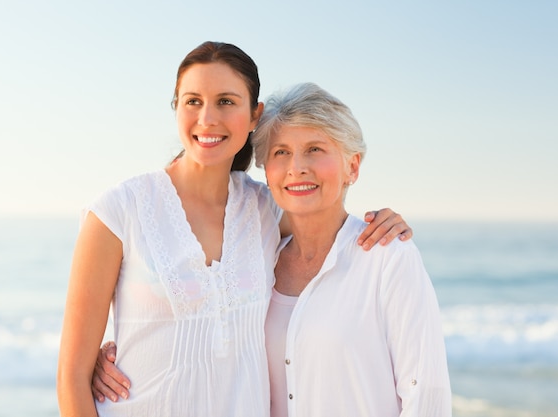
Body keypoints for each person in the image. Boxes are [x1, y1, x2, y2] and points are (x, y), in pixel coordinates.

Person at [57, 42, 412, 417]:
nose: (207, 118)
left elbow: (332, 223)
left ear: (255, 114)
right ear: (176, 107)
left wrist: (384, 221)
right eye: (193, 101)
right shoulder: (117, 212)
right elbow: (72, 378)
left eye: (226, 101)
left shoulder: (266, 209)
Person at [254, 82, 452, 416]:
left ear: (353, 167)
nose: (296, 167)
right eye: (281, 152)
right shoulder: (256, 260)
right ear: (267, 171)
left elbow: (426, 394)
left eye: (315, 149)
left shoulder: (389, 257)